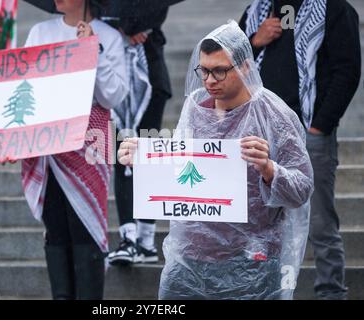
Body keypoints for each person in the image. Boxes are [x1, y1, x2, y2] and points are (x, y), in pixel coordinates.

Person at [118, 21, 314, 299]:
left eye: (220, 71)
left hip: (250, 259)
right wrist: (145, 160)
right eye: (204, 70)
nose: (209, 80)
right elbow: (184, 168)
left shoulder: (273, 114)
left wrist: (269, 168)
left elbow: (303, 188)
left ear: (246, 66)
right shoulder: (196, 106)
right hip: (190, 256)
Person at [238, 0, 361, 300]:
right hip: (260, 133)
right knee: (256, 221)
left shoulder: (334, 9)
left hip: (309, 132)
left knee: (319, 221)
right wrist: (255, 40)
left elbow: (348, 70)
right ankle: (260, 291)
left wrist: (320, 126)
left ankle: (331, 292)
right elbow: (227, 63)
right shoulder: (257, 11)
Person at [21, 0, 128, 299]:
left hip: (90, 141)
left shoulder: (108, 36)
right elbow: (24, 85)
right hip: (48, 144)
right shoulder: (40, 32)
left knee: (87, 225)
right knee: (55, 226)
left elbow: (113, 96)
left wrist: (93, 52)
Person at [109, 6, 173, 266]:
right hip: (112, 78)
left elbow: (159, 6)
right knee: (122, 155)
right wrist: (119, 29)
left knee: (147, 155)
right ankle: (128, 237)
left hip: (151, 74)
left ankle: (146, 239)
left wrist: (133, 26)